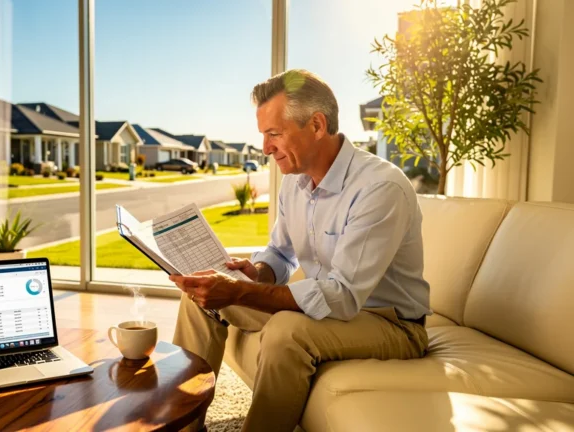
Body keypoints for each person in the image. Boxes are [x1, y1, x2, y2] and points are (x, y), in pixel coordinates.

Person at [171, 69, 431, 432]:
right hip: (329, 308)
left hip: (391, 322)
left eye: (274, 134)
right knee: (200, 294)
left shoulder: (380, 188)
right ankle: (182, 427)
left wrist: (241, 291)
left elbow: (341, 296)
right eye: (263, 135)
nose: (265, 149)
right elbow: (280, 253)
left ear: (317, 125)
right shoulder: (294, 183)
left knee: (287, 331)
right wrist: (256, 273)